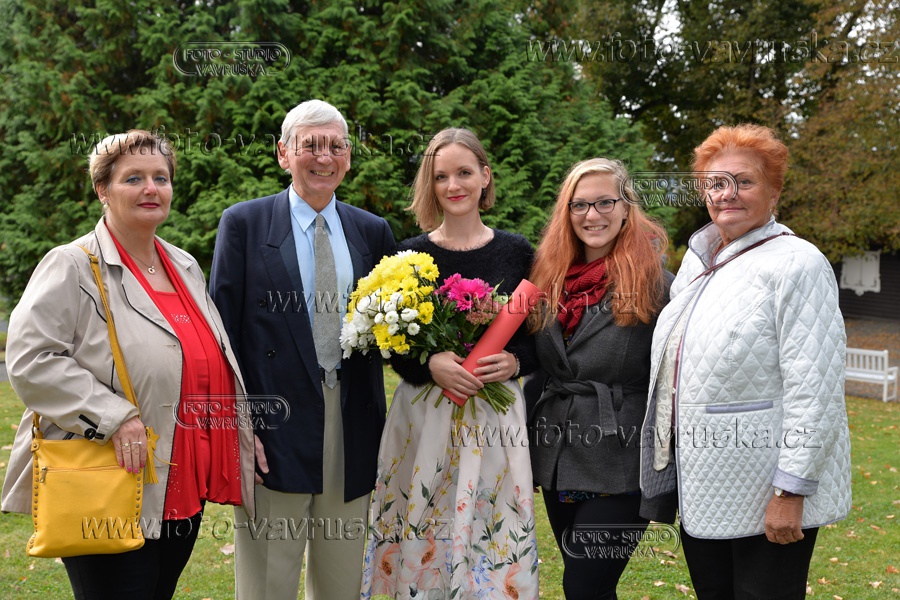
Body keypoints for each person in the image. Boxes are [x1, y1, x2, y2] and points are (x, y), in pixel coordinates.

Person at [0, 129, 257, 599]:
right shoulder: (72, 264)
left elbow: (205, 360)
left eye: (161, 177)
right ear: (103, 189)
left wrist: (237, 430)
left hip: (179, 482)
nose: (150, 188)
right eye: (133, 178)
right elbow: (31, 359)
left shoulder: (183, 265)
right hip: (108, 477)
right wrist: (113, 416)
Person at [639, 124, 852, 599]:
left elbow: (814, 387)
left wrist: (791, 490)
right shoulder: (698, 262)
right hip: (706, 483)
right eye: (716, 183)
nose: (727, 193)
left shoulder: (798, 263)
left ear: (774, 192)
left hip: (767, 485)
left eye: (745, 181)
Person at [209, 99, 396, 600]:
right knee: (267, 583)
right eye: (310, 145)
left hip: (352, 424)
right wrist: (240, 426)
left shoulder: (372, 231)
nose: (324, 157)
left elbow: (393, 331)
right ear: (283, 154)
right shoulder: (243, 224)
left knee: (341, 584)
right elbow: (221, 338)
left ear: (349, 157)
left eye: (336, 146)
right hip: (272, 426)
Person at [361, 128, 540, 599]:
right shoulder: (406, 256)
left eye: (464, 172)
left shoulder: (519, 252)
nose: (453, 185)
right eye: (441, 176)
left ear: (485, 176)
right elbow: (388, 341)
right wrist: (429, 363)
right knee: (423, 526)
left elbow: (542, 338)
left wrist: (514, 361)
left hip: (495, 417)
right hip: (424, 415)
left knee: (492, 528)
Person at [526, 158, 675, 599]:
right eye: (580, 205)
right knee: (589, 588)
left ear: (627, 208)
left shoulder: (658, 285)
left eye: (605, 202)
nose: (592, 215)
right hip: (558, 452)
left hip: (622, 457)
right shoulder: (548, 278)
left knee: (585, 586)